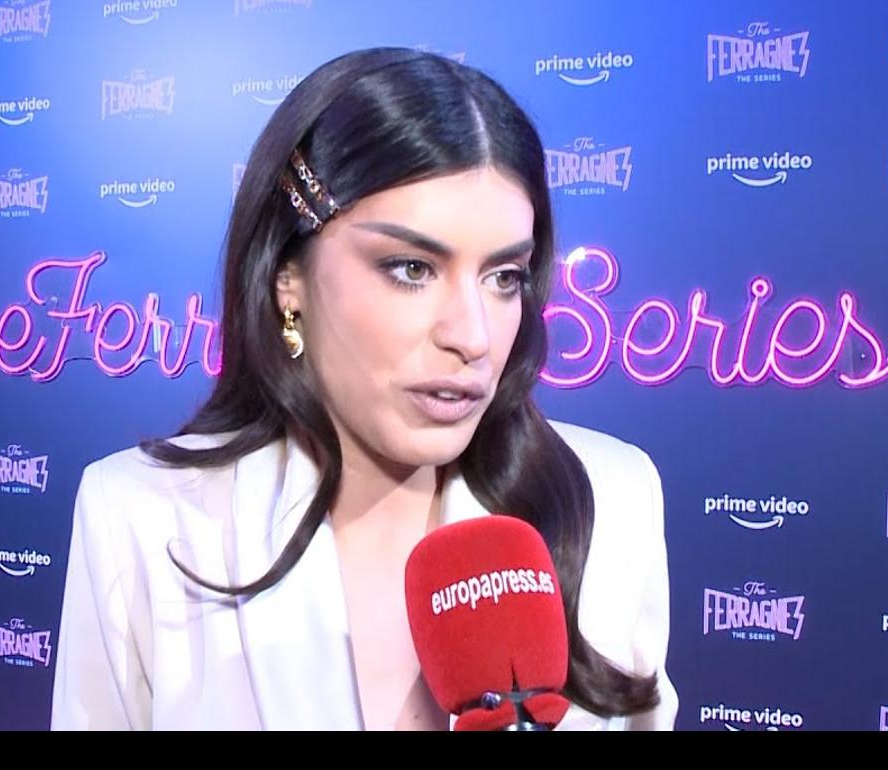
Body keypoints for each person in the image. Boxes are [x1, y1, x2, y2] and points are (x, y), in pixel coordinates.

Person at [50, 46, 677, 731]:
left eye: (503, 278)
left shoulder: (613, 499)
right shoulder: (141, 517)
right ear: (288, 276)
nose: (472, 336)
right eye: (411, 268)